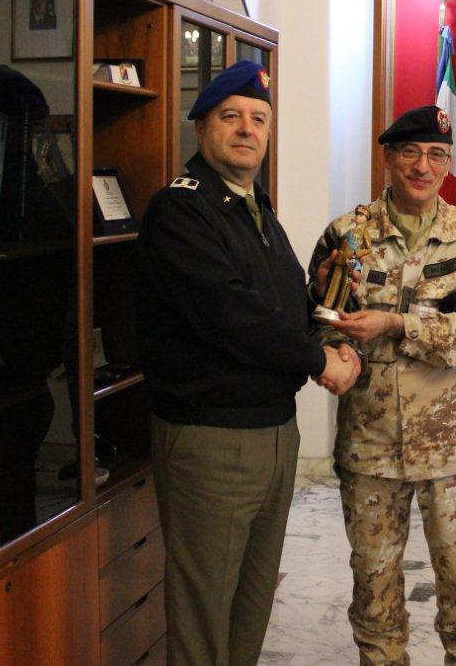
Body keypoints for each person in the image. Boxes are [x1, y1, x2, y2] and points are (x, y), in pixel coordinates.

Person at [134, 59, 360, 665]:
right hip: (213, 438)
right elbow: (231, 313)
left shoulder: (254, 207)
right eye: (231, 116)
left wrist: (327, 321)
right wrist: (318, 361)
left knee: (252, 601)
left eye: (259, 119)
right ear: (201, 128)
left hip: (272, 431)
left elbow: (279, 304)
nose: (247, 129)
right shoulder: (181, 210)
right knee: (205, 611)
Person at [309, 105, 456, 665]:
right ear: (389, 159)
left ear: (448, 163)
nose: (423, 166)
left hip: (450, 448)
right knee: (373, 590)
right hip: (370, 445)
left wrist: (397, 325)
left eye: (437, 155)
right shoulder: (347, 234)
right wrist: (333, 345)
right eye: (411, 153)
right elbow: (317, 318)